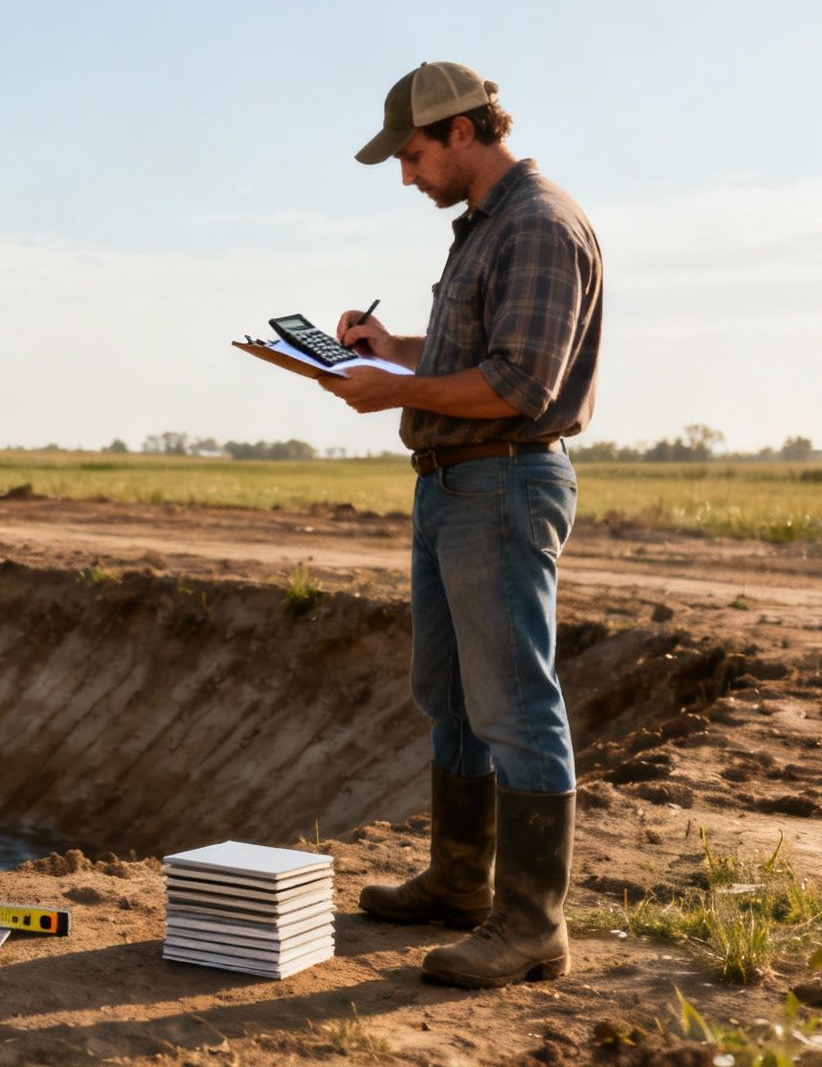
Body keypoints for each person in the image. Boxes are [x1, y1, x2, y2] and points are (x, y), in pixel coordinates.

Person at [321, 61, 603, 989]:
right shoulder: (483, 228)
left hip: (503, 483)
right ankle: (458, 883)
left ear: (463, 131)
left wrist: (393, 393)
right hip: (451, 483)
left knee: (515, 703)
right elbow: (465, 356)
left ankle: (531, 929)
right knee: (449, 694)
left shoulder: (537, 224)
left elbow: (521, 382)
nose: (406, 176)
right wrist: (389, 353)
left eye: (412, 155)